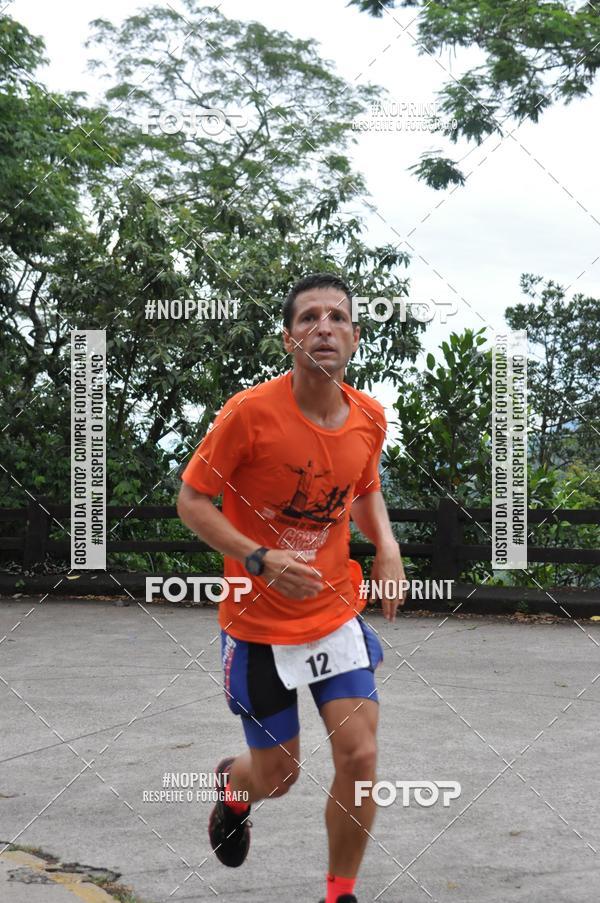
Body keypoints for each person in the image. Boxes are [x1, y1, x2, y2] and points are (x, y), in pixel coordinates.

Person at [177, 272, 406, 903]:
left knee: (359, 759)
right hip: (258, 623)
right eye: (309, 318)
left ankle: (341, 894)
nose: (323, 327)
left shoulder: (369, 419)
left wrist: (385, 545)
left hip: (333, 613)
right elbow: (193, 501)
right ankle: (233, 786)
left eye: (337, 318)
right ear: (288, 339)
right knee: (279, 777)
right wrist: (257, 556)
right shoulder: (249, 414)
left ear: (355, 338)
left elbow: (363, 488)